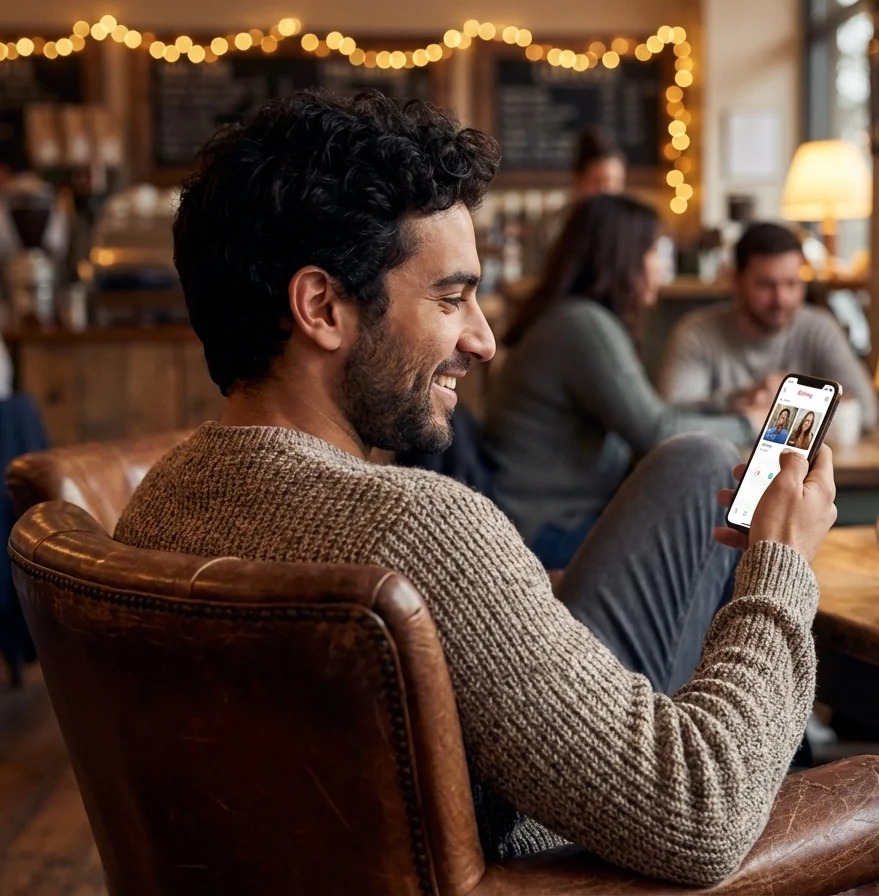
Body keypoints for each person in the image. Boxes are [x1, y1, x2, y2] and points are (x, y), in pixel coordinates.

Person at [114, 91, 841, 886]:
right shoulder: (420, 532)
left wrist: (525, 608)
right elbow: (702, 815)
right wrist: (778, 567)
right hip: (551, 845)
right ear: (322, 306)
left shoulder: (157, 504)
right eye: (451, 297)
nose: (483, 340)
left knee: (697, 465)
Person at [485, 193, 772, 568]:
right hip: (544, 534)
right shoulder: (582, 325)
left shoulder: (571, 318)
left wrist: (731, 404)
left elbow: (648, 413)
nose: (663, 269)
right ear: (626, 258)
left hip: (546, 523)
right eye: (657, 253)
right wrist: (750, 422)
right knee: (716, 540)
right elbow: (656, 431)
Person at [657, 222, 879, 432]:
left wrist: (790, 402)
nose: (781, 299)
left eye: (792, 284)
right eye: (766, 285)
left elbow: (867, 412)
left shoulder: (819, 328)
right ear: (736, 281)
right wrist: (743, 399)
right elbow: (672, 420)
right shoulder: (697, 333)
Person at [523, 126, 626, 276]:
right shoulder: (551, 228)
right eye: (598, 181)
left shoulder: (629, 228)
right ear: (577, 179)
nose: (608, 190)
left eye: (616, 182)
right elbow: (531, 280)